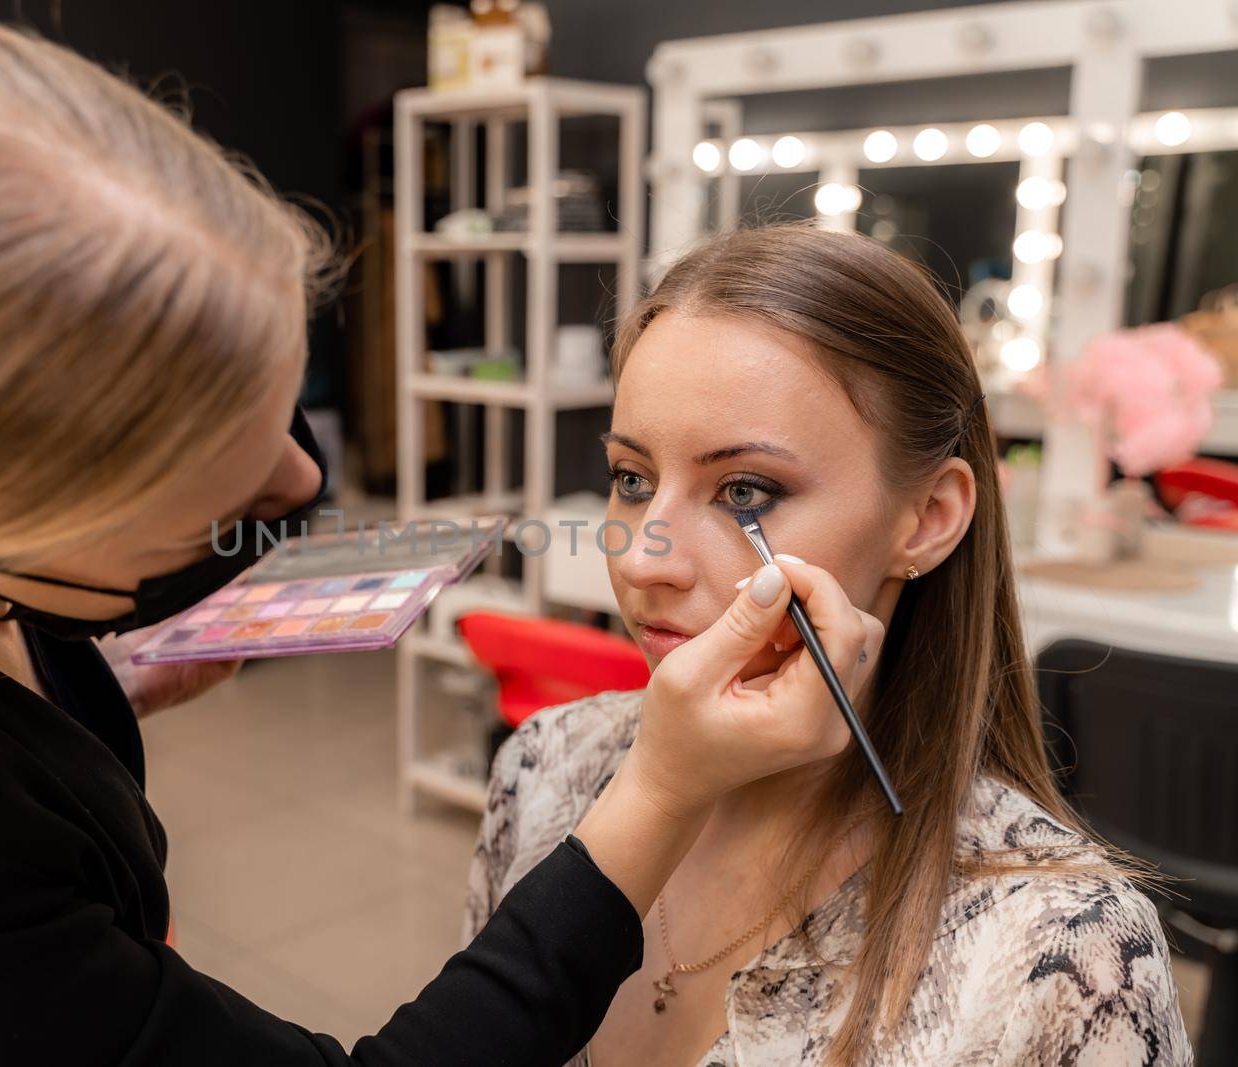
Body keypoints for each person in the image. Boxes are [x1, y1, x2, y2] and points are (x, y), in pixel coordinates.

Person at [0, 18, 881, 1066]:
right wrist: (659, 790)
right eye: (203, 501)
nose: (300, 478)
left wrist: (94, 679)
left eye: (281, 402)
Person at [464, 224, 1192, 1067]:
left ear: (928, 518)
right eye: (632, 479)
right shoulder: (541, 767)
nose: (639, 557)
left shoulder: (1064, 954)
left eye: (745, 490)